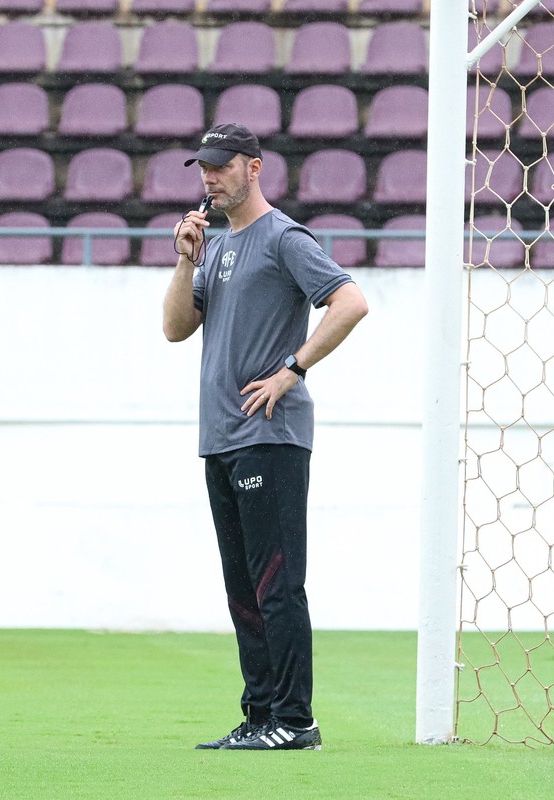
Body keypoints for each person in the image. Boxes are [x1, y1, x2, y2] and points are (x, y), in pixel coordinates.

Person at [162, 123, 369, 750]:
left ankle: (294, 719)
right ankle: (259, 716)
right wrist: (183, 258)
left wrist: (292, 370)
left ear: (254, 168)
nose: (209, 177)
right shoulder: (216, 245)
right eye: (203, 167)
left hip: (270, 437)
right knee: (243, 587)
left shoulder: (283, 237)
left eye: (221, 166)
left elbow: (351, 301)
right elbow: (175, 329)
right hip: (222, 437)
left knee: (277, 584)